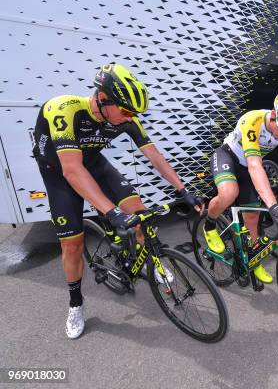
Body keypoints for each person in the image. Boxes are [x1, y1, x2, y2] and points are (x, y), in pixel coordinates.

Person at [33, 63, 203, 339]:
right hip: (59, 172)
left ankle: (155, 264)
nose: (130, 117)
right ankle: (75, 303)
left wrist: (184, 190)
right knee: (73, 244)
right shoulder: (64, 109)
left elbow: (154, 155)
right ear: (103, 99)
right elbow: (72, 170)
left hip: (94, 163)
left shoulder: (125, 118)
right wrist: (113, 212)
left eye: (133, 113)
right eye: (125, 110)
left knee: (141, 216)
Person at [203, 88, 278, 284]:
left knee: (252, 217)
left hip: (249, 165)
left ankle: (254, 260)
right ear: (274, 114)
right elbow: (254, 164)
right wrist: (272, 205)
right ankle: (209, 225)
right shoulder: (253, 120)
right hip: (228, 157)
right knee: (229, 193)